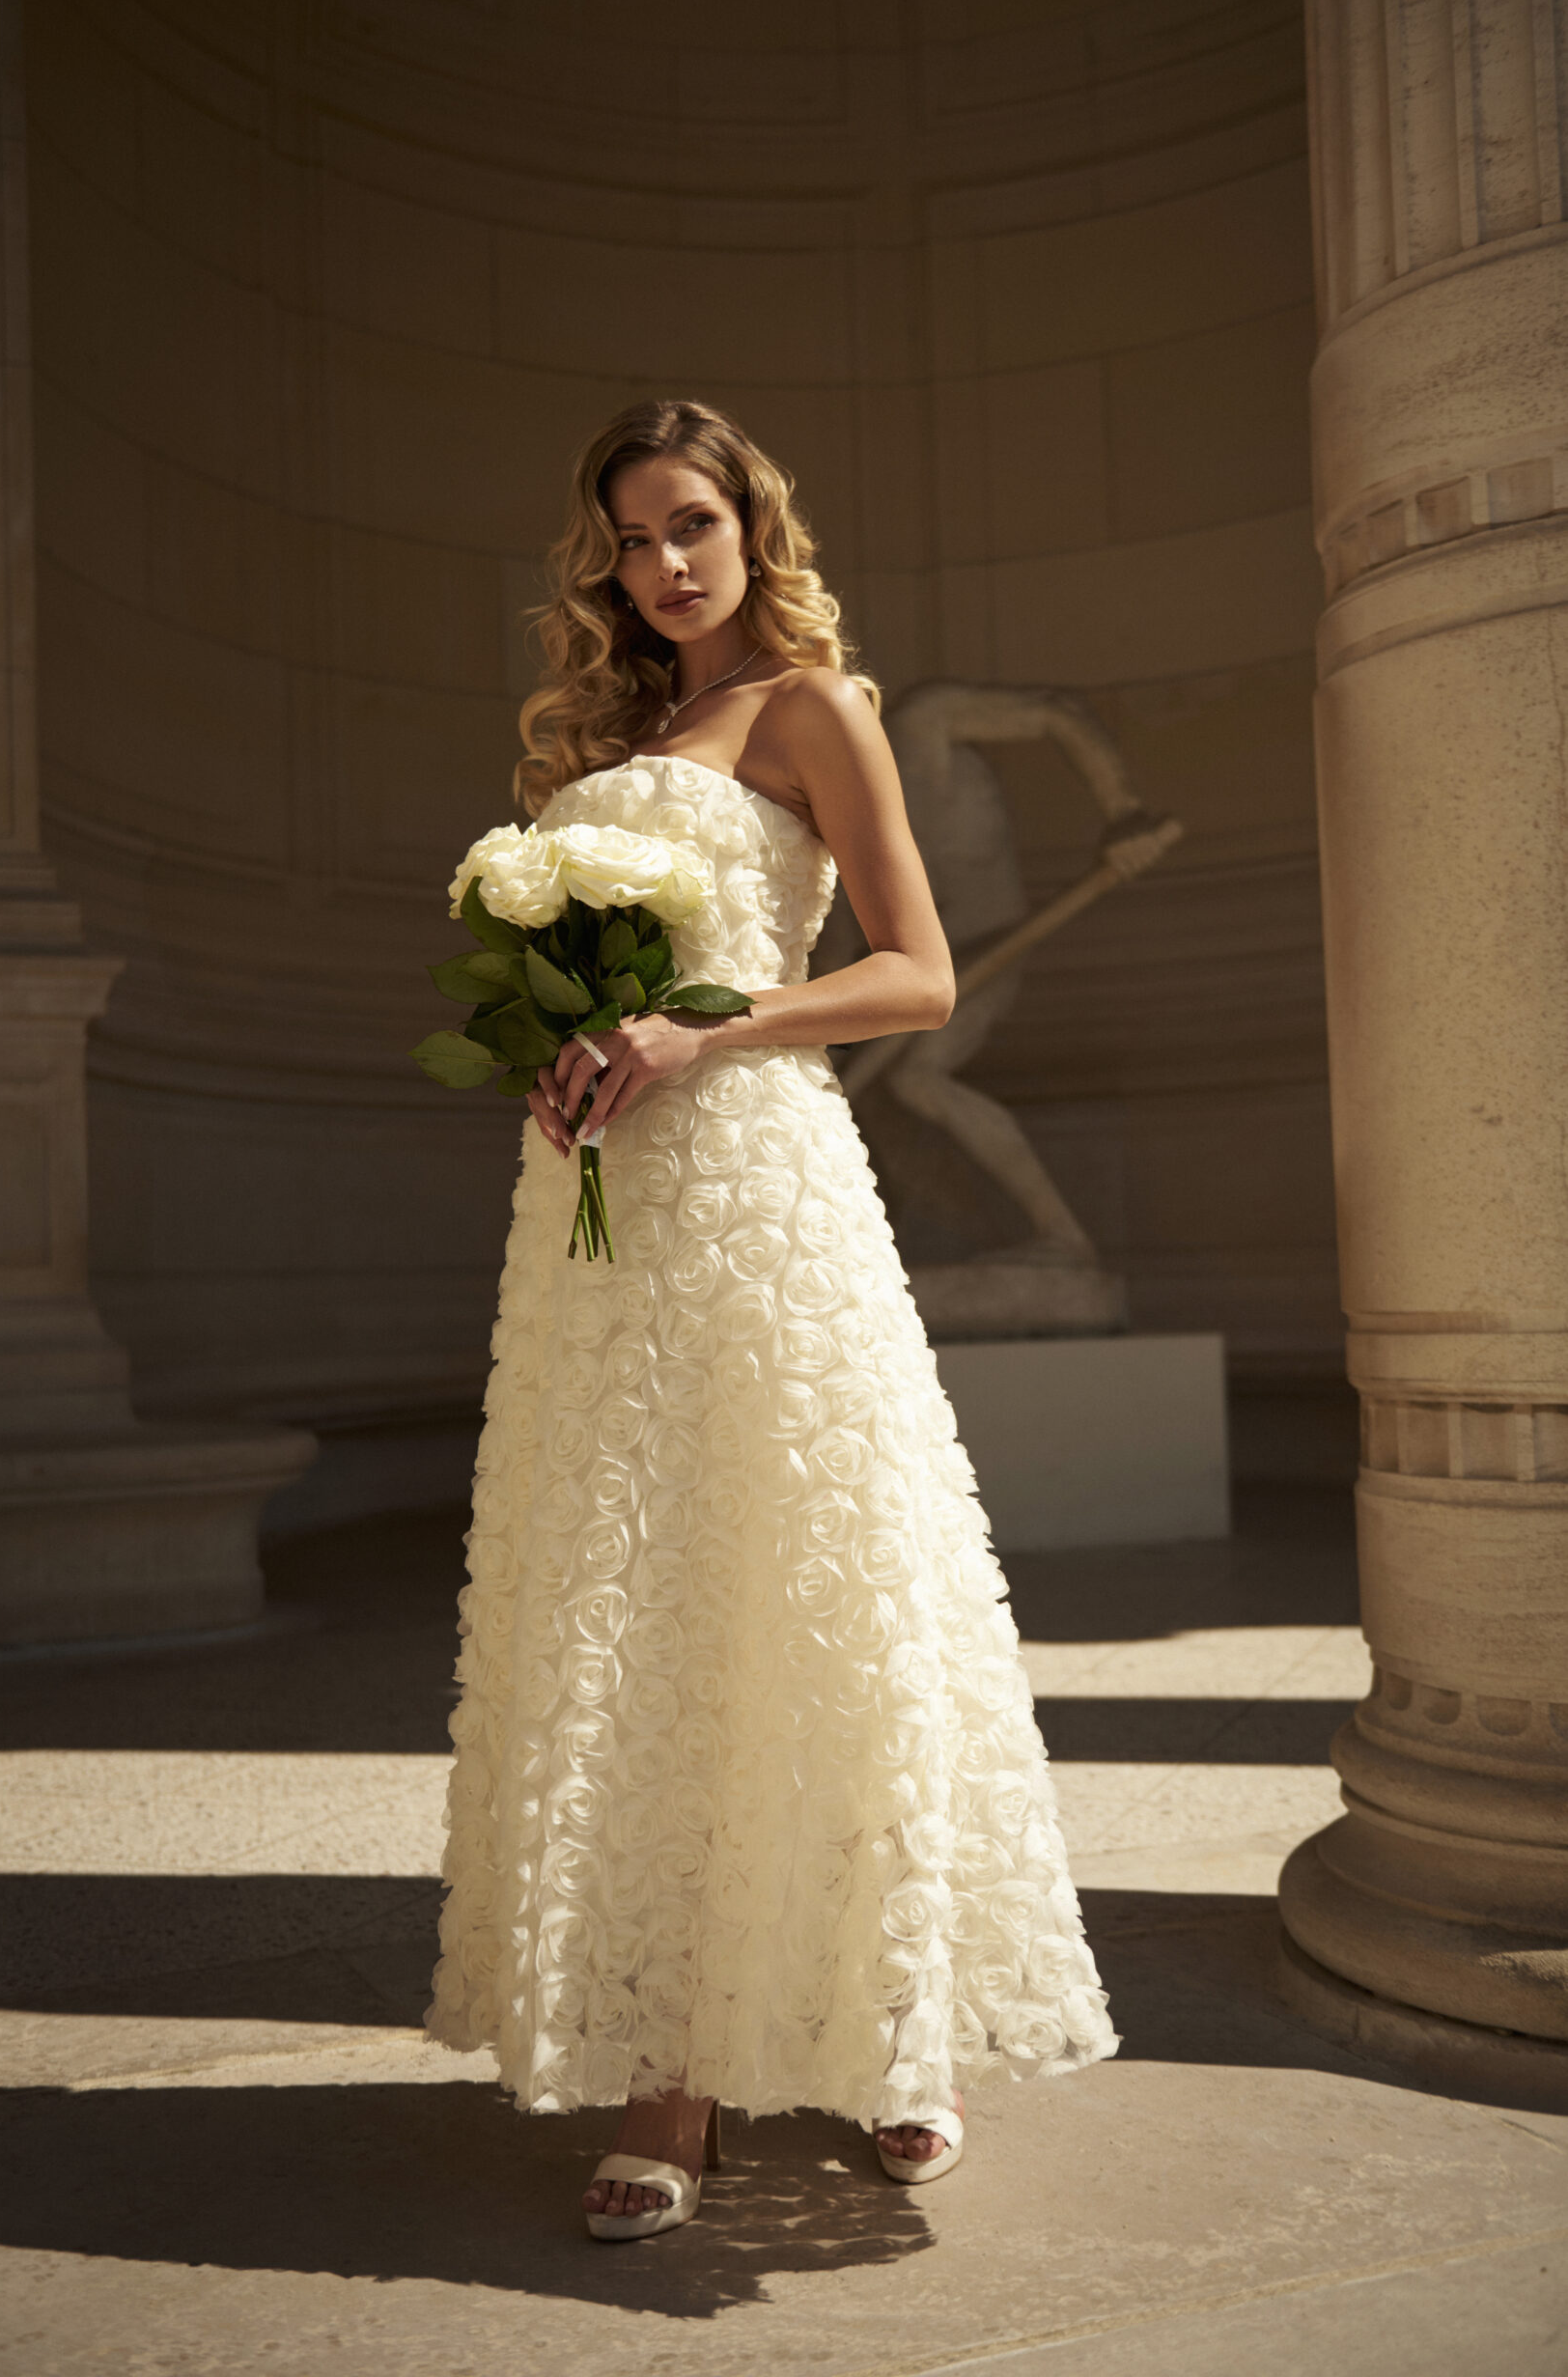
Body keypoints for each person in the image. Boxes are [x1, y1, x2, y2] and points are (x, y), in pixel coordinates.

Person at [426, 399, 1117, 2240]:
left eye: (692, 528)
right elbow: (573, 979)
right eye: (632, 539)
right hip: (601, 1218)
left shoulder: (819, 708)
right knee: (638, 1599)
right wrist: (560, 1059)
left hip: (761, 1190)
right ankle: (677, 2066)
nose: (662, 565)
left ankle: (891, 2035)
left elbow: (915, 972)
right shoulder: (598, 736)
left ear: (751, 529)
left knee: (805, 1579)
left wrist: (696, 1034)